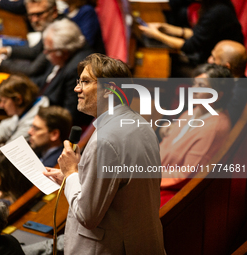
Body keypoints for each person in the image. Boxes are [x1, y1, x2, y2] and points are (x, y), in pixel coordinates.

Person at [44, 53, 164, 254]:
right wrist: (76, 175)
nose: (77, 89)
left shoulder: (106, 140)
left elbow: (88, 215)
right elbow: (120, 185)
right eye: (78, 81)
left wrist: (72, 173)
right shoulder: (140, 123)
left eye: (85, 82)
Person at [160, 64, 233, 191]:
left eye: (201, 86)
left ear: (218, 95)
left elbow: (185, 176)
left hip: (172, 191)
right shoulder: (192, 112)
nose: (193, 89)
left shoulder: (215, 128)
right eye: (194, 84)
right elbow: (163, 147)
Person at [139, 0, 244, 75]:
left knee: (169, 69)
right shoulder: (211, 5)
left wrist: (156, 35)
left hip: (219, 64)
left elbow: (190, 46)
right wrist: (166, 28)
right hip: (208, 53)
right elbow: (197, 34)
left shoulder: (217, 12)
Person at [31, 18, 94, 126]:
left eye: (48, 50)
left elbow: (69, 115)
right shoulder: (62, 52)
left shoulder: (76, 71)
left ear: (63, 52)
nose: (45, 53)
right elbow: (45, 80)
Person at [0, 0, 59, 77]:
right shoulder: (50, 26)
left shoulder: (58, 32)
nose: (34, 20)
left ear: (54, 11)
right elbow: (35, 51)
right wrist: (4, 50)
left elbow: (32, 70)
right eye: (31, 15)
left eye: (39, 14)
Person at [207, 40, 247, 125]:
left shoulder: (237, 96)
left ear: (226, 67)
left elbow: (221, 125)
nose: (209, 60)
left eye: (214, 58)